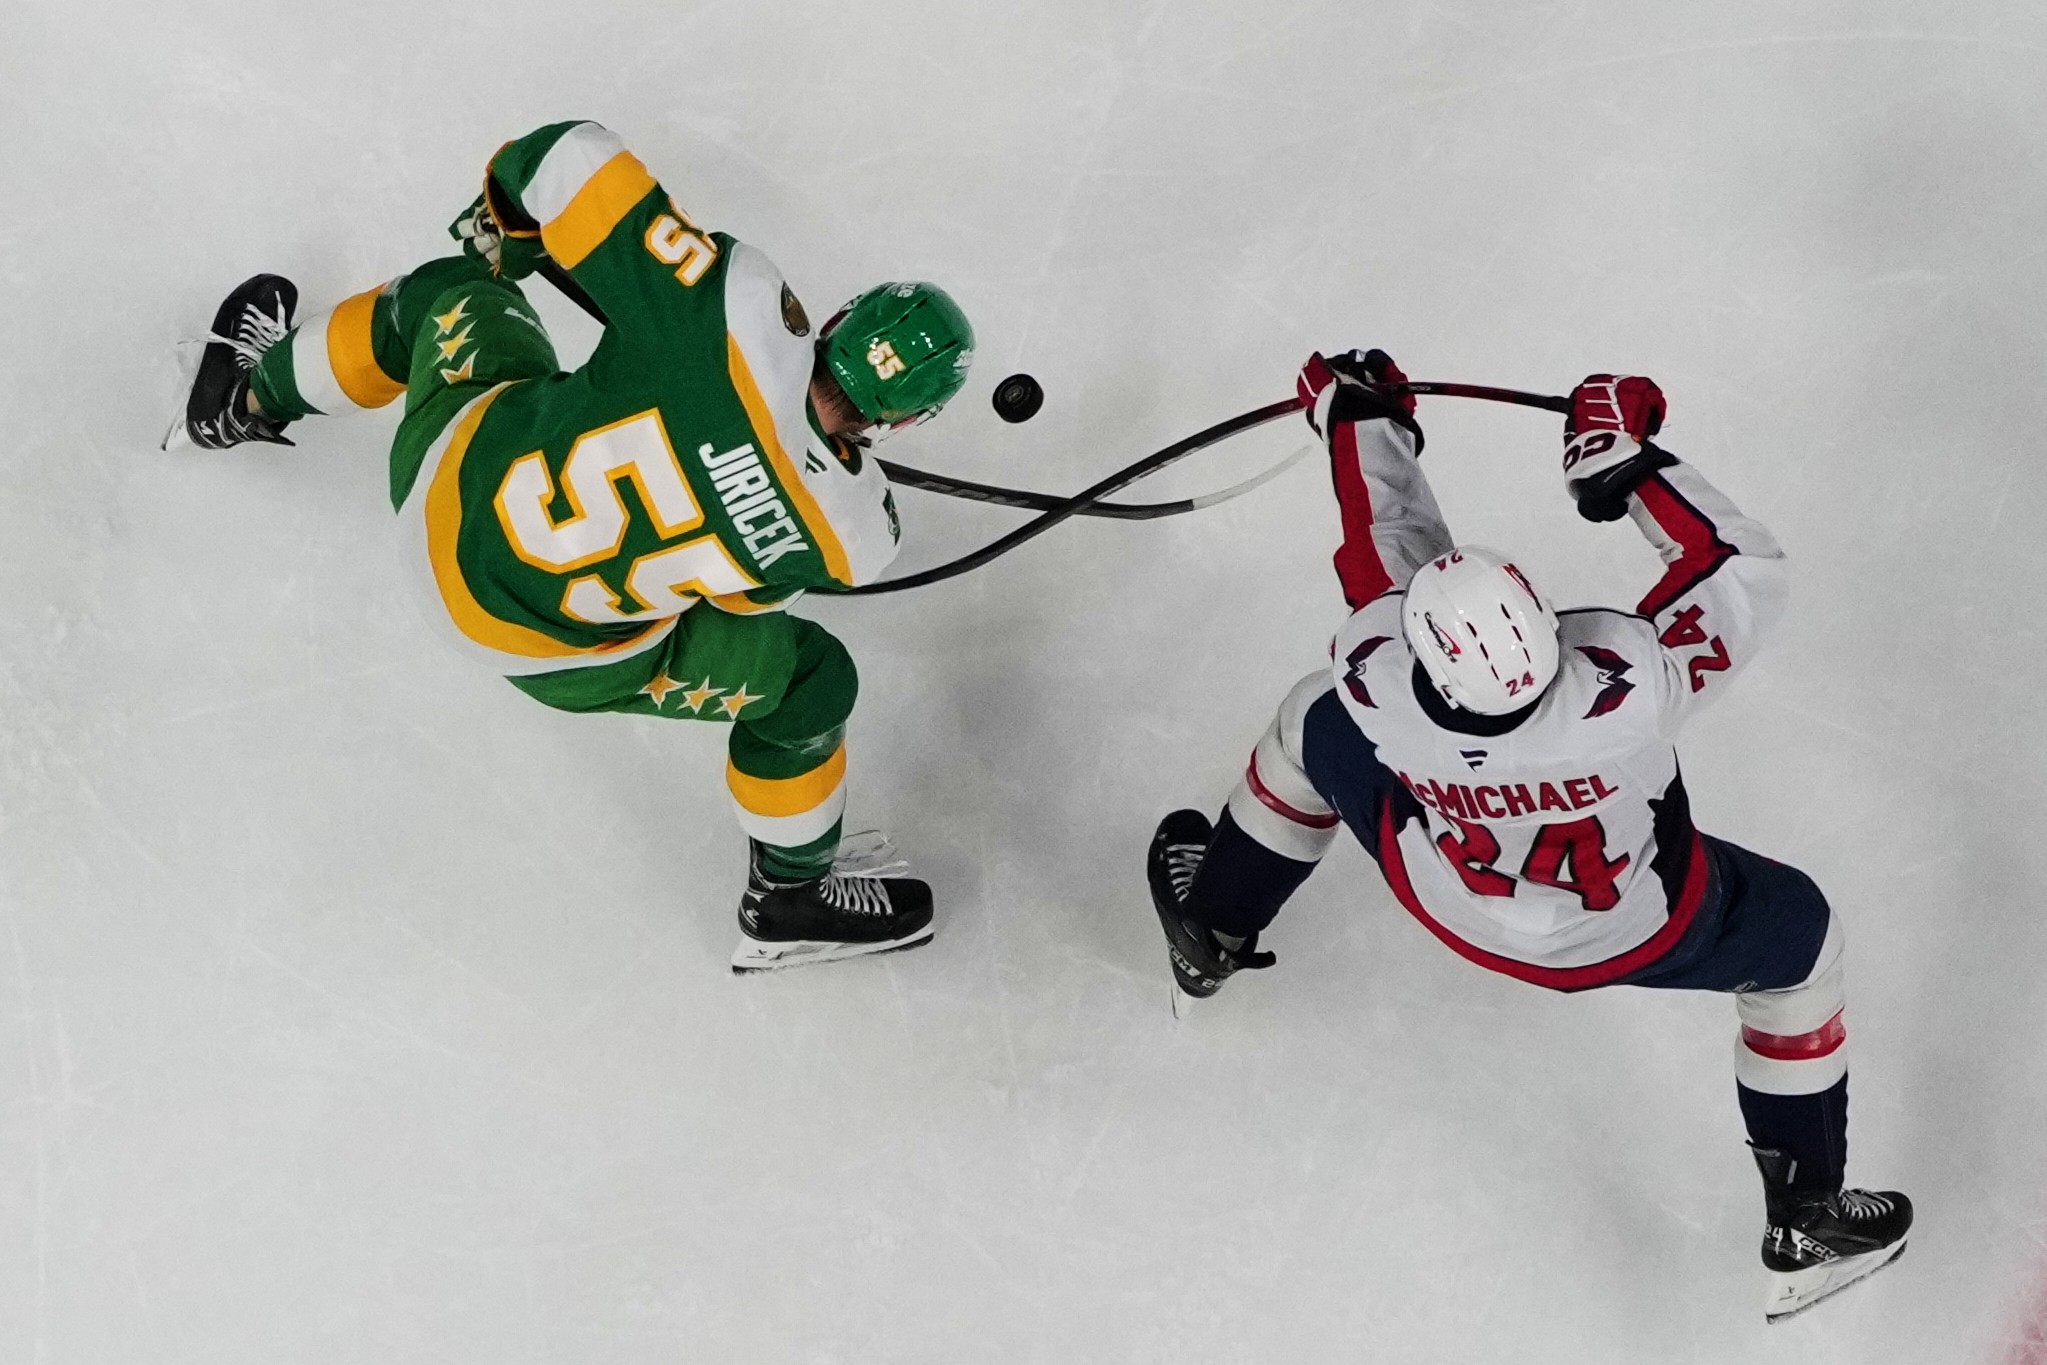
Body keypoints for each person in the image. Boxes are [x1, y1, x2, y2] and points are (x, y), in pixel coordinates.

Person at [1145, 349, 1911, 1319]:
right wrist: (1622, 463)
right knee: (1802, 950)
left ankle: (1208, 929)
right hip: (1643, 924)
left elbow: (1385, 544)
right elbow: (1741, 568)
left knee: (1310, 720)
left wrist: (1358, 415)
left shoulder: (1382, 681)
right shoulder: (1633, 683)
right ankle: (1806, 1217)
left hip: (1457, 903)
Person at [176, 120, 977, 971]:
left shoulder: (728, 304)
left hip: (447, 495)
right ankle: (790, 895)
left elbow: (559, 155)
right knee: (811, 681)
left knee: (446, 293)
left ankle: (244, 400)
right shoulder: (854, 533)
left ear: (840, 317)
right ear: (905, 420)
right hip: (552, 655)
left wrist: (507, 232)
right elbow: (737, 599)